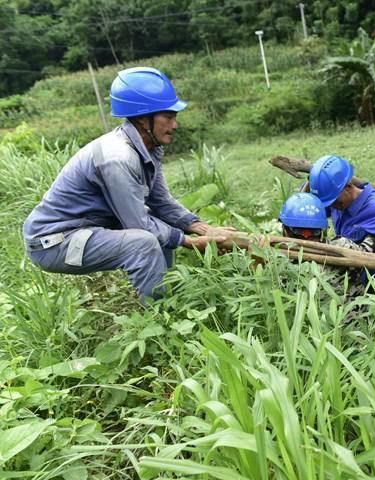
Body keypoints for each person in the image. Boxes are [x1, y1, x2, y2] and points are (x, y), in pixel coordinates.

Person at [22, 67, 232, 303]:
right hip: (55, 243)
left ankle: (169, 296)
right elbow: (137, 224)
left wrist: (202, 228)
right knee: (143, 242)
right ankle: (161, 317)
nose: (175, 126)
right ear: (143, 119)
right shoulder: (118, 158)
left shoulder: (148, 148)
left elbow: (161, 201)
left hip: (84, 231)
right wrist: (189, 242)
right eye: (169, 117)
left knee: (160, 226)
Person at [308, 155, 375, 317]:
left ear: (348, 187)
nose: (333, 207)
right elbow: (319, 204)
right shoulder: (338, 203)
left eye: (335, 202)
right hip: (360, 277)